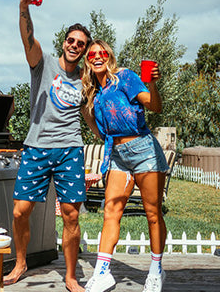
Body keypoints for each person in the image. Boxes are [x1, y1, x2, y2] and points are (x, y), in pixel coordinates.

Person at [4, 0, 92, 292]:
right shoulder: (44, 64)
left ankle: (70, 276)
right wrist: (23, 7)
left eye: (81, 43)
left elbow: (88, 115)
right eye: (71, 40)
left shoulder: (85, 79)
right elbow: (28, 38)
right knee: (19, 210)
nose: (75, 45)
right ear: (64, 41)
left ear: (83, 50)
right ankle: (21, 262)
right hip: (37, 146)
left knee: (70, 215)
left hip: (69, 149)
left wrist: (110, 138)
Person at [81, 39, 168, 292]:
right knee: (111, 211)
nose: (97, 57)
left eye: (102, 52)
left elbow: (155, 106)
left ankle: (155, 271)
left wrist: (152, 83)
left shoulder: (125, 77)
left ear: (109, 56)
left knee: (152, 213)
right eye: (92, 54)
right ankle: (102, 273)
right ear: (88, 61)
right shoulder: (93, 92)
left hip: (143, 150)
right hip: (117, 154)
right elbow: (98, 131)